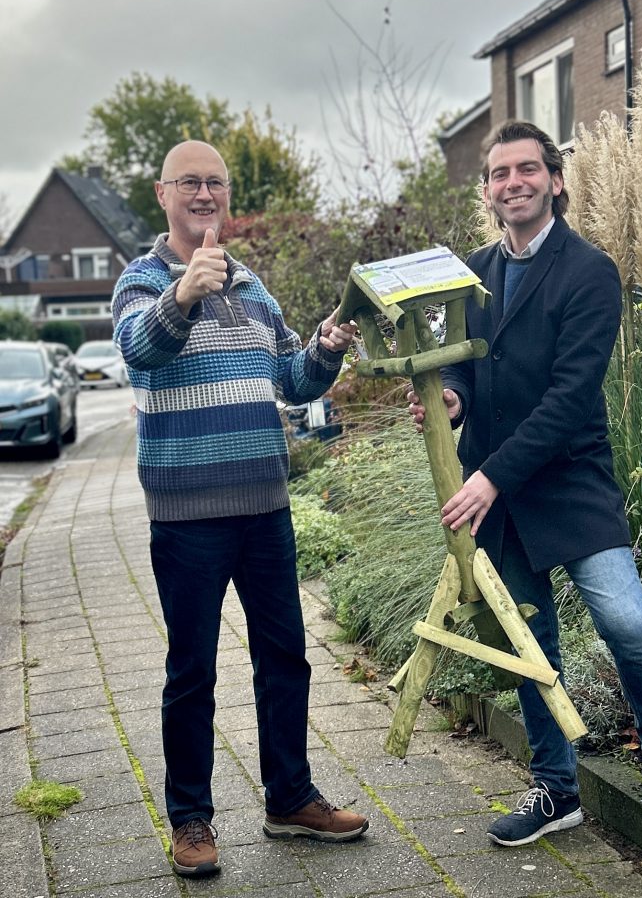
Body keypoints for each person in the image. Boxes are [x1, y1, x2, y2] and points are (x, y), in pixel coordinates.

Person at [407, 119, 642, 848]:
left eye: (525, 169)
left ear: (554, 179)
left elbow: (571, 398)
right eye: (498, 173)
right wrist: (452, 394)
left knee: (627, 623)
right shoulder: (474, 271)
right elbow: (461, 360)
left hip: (568, 481)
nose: (512, 182)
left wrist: (484, 477)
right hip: (499, 493)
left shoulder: (589, 270)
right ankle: (556, 790)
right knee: (530, 642)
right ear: (487, 190)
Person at [112, 140, 368, 877]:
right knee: (192, 669)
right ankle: (191, 820)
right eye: (188, 182)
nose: (203, 193)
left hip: (264, 506)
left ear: (227, 195)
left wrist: (325, 344)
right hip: (187, 513)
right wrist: (185, 291)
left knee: (285, 656)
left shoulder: (253, 284)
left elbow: (292, 380)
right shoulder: (139, 280)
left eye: (214, 183)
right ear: (162, 195)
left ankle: (290, 798)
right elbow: (139, 351)